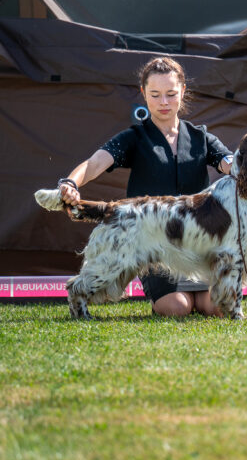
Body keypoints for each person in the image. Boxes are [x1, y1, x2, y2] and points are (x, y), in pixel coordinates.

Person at [56, 56, 234, 317]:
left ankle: (198, 295)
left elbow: (228, 162)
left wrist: (237, 165)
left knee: (216, 307)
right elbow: (94, 164)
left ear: (183, 91)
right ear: (143, 93)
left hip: (197, 246)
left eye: (171, 94)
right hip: (154, 246)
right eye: (155, 94)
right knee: (178, 307)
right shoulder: (134, 138)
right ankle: (164, 296)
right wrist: (70, 183)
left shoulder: (201, 137)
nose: (164, 102)